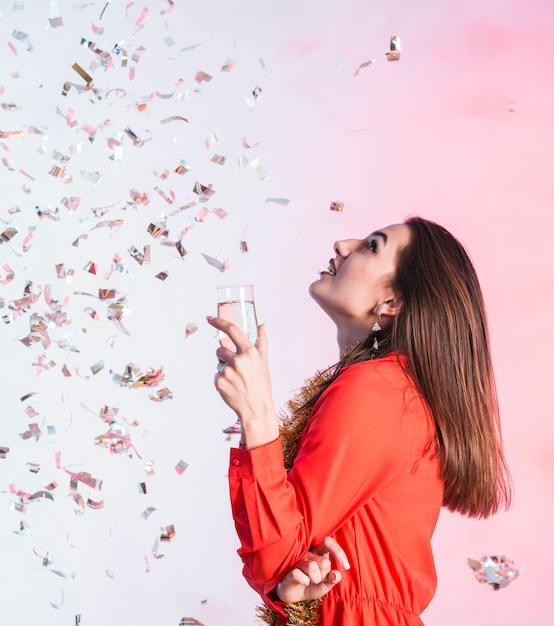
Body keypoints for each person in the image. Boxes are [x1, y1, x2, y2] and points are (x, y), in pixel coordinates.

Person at [207, 217, 511, 626]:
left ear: (392, 302)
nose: (343, 243)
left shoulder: (380, 390)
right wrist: (287, 587)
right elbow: (285, 561)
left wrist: (258, 413)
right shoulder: (392, 389)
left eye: (371, 246)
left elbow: (274, 554)